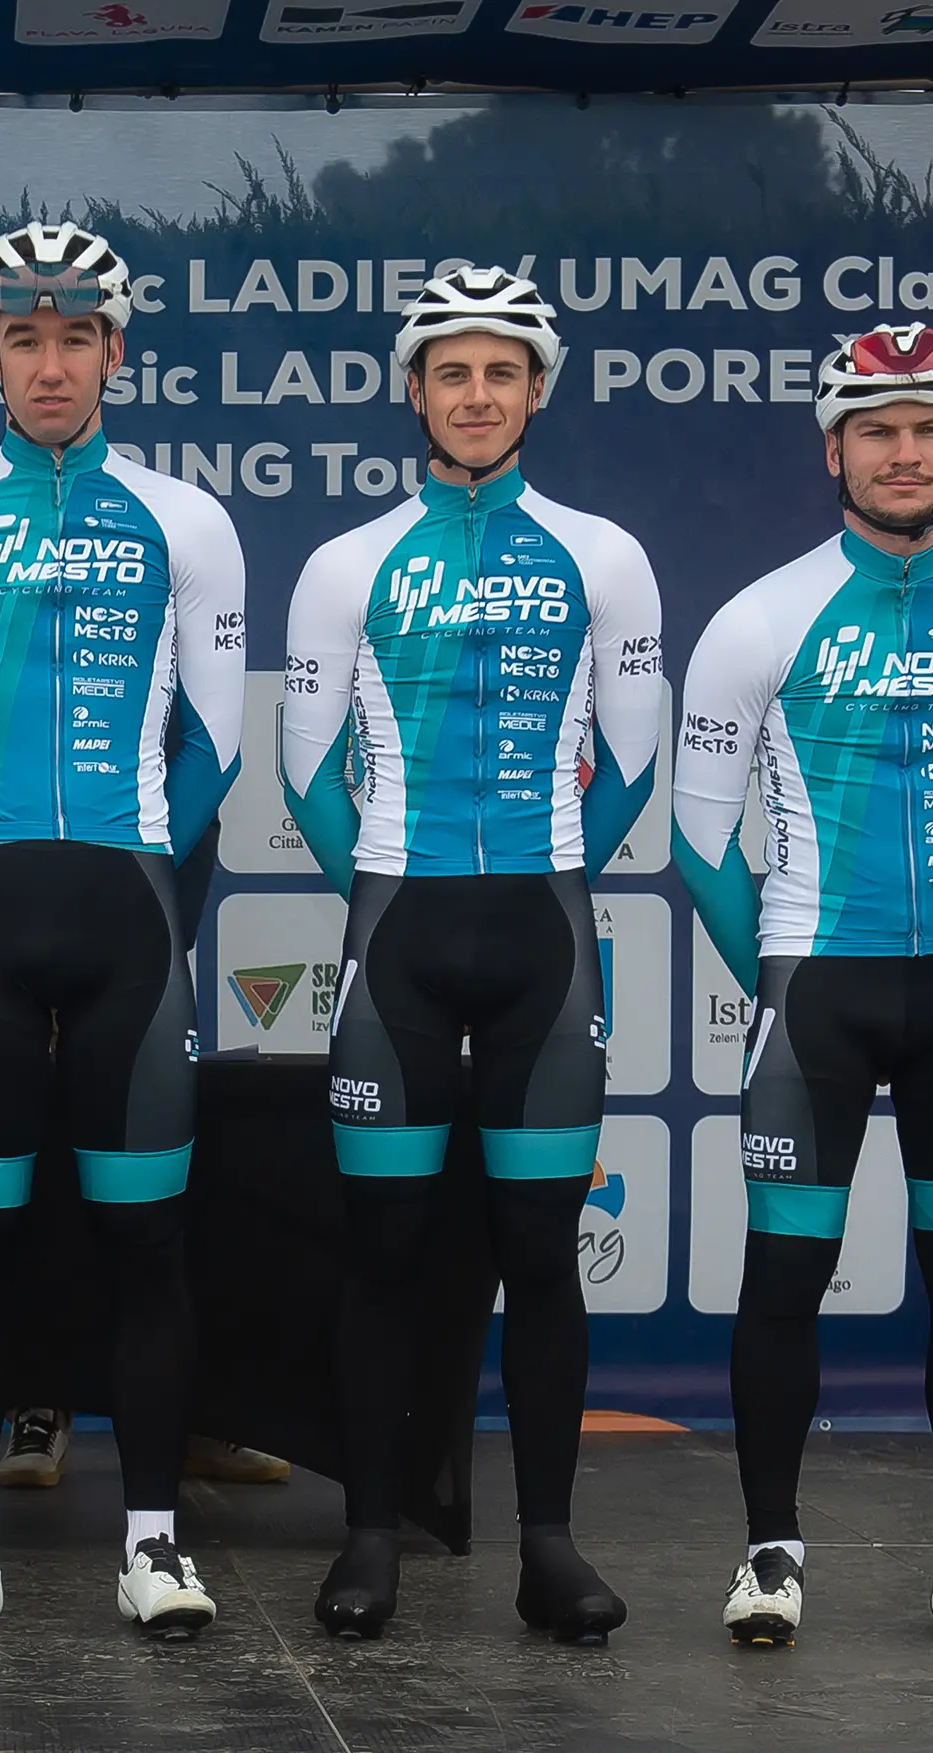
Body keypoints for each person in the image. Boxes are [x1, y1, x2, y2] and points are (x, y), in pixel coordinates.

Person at [0, 222, 248, 1641]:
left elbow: (217, 744)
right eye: (23, 339)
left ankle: (155, 1545)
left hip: (129, 922)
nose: (50, 364)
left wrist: (139, 849)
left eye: (75, 338)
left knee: (147, 1247)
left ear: (115, 352)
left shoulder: (189, 521)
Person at [672, 322, 933, 1648]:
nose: (904, 453)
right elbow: (699, 834)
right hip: (818, 998)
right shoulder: (761, 618)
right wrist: (780, 978)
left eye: (929, 429)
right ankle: (769, 1556)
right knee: (784, 1280)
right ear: (834, 452)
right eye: (877, 431)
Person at [280, 264, 664, 1643]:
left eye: (503, 371)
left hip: (541, 943)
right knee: (381, 1251)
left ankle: (547, 1546)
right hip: (399, 936)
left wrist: (547, 866)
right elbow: (308, 772)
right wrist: (391, 886)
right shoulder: (348, 563)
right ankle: (370, 1536)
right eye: (453, 371)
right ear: (415, 390)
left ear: (537, 390)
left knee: (541, 1253)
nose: (478, 394)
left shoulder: (604, 556)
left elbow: (632, 762)